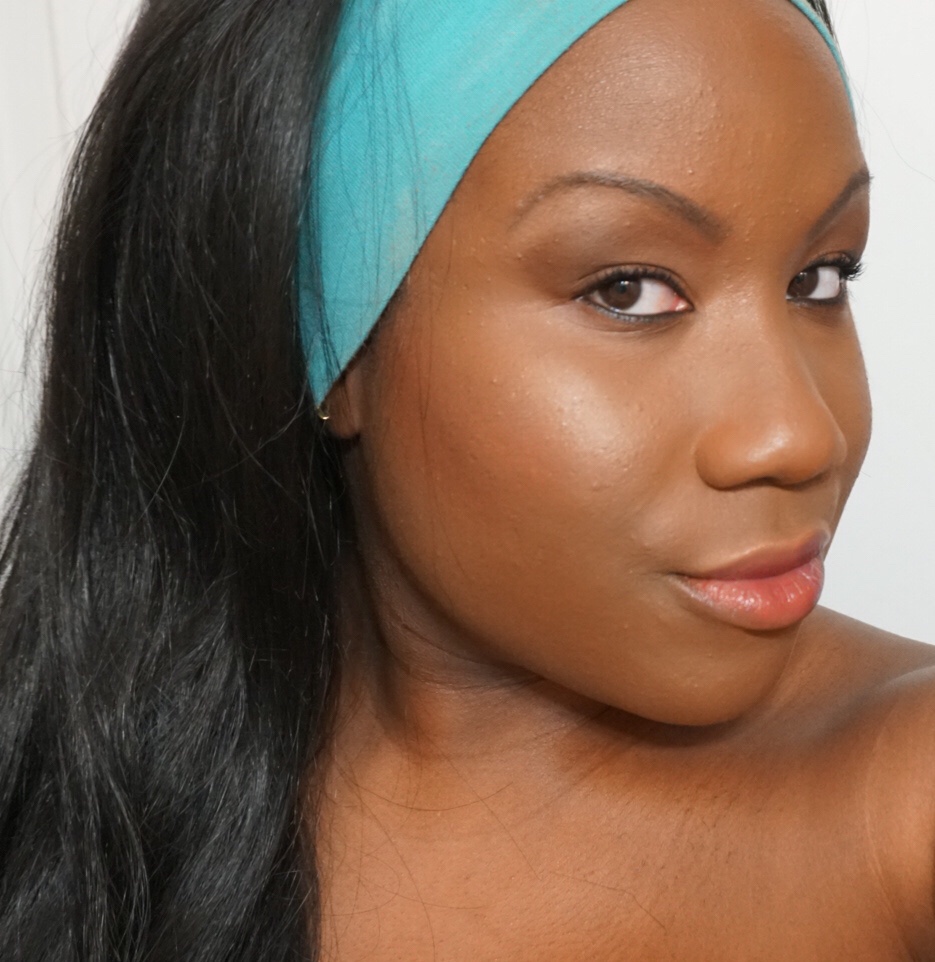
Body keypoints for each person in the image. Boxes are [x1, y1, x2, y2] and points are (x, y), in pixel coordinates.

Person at [2, 0, 934, 959]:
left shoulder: (906, 803)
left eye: (820, 277)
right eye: (627, 289)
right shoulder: (72, 810)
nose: (798, 435)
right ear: (326, 341)